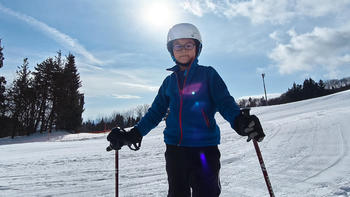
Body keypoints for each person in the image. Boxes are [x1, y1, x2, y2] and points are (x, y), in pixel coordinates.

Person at [107, 23, 265, 197]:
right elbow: (155, 112)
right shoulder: (169, 82)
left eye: (188, 45)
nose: (183, 50)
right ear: (171, 51)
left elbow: (225, 102)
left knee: (207, 192)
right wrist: (134, 133)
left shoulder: (208, 74)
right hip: (175, 151)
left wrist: (239, 121)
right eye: (178, 46)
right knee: (177, 193)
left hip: (205, 149)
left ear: (197, 48)